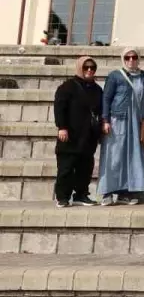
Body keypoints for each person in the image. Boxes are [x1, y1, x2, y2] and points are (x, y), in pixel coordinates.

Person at [99, 48, 144, 206]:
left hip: (137, 121)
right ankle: (107, 192)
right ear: (123, 59)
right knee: (114, 155)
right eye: (128, 57)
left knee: (132, 156)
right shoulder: (115, 75)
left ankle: (125, 192)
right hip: (119, 119)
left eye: (134, 57)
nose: (131, 60)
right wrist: (105, 120)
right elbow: (106, 99)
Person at [53, 56, 102, 207]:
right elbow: (60, 108)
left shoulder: (97, 89)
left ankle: (81, 194)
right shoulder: (67, 86)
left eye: (92, 68)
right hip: (70, 134)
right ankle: (62, 196)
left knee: (85, 167)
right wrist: (62, 127)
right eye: (86, 67)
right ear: (80, 68)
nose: (89, 70)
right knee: (66, 167)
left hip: (88, 135)